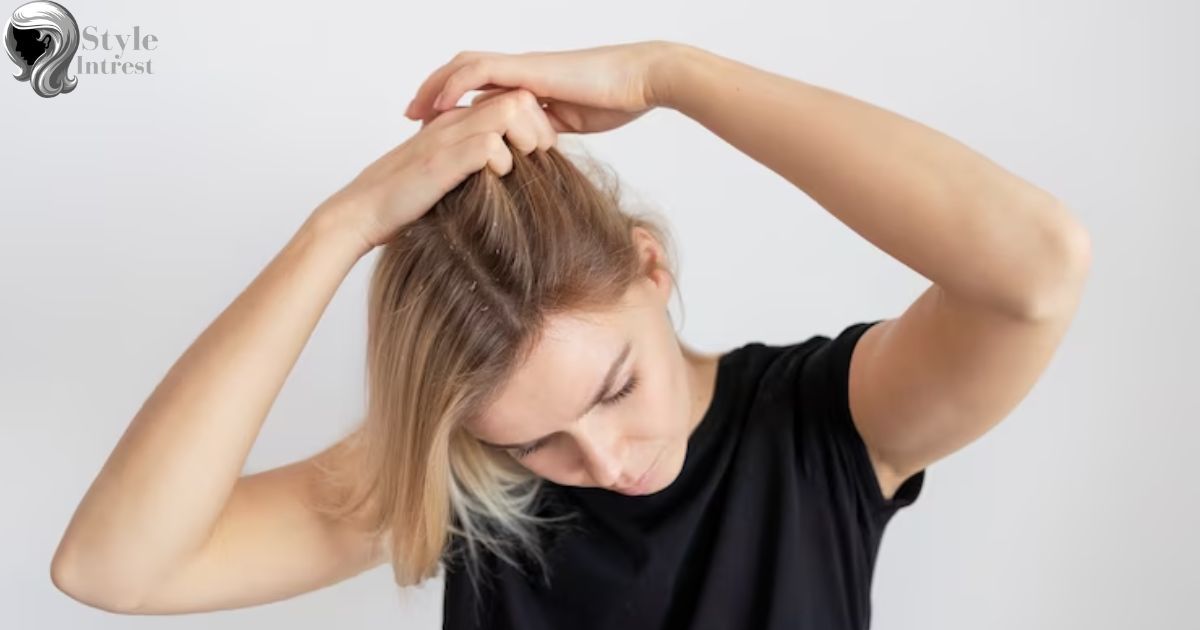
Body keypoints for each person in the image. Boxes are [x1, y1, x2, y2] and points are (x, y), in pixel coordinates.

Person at [49, 40, 1090, 628]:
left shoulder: (828, 427)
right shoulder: (463, 484)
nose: (604, 464)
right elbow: (114, 568)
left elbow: (1038, 266)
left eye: (613, 388)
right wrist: (342, 228)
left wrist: (670, 78)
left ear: (651, 263)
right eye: (531, 441)